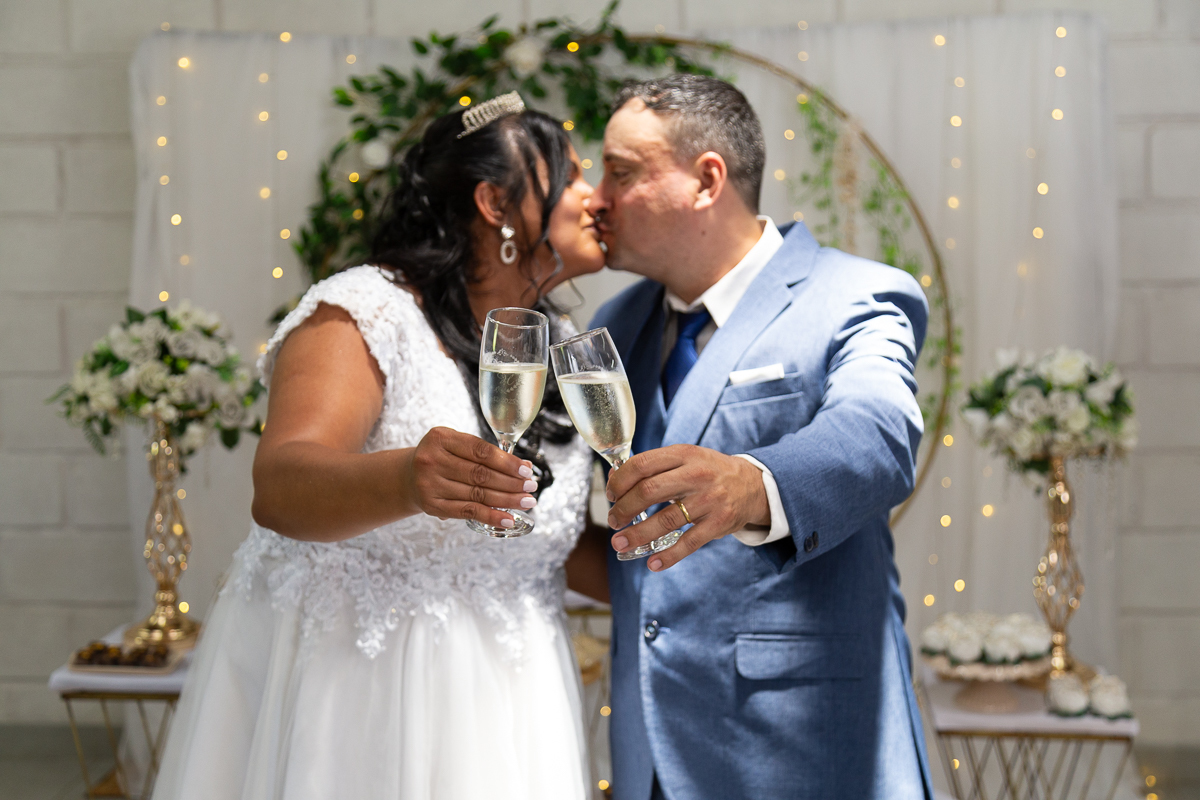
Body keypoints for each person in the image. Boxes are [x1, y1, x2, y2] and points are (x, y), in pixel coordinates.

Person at [151, 94, 607, 800]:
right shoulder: (364, 311)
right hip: (357, 701)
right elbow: (280, 486)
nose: (594, 197)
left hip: (510, 709)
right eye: (571, 177)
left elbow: (546, 541)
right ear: (495, 204)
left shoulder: (561, 347)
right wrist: (405, 481)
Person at [584, 75, 934, 799]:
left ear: (707, 179)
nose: (597, 196)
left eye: (621, 172)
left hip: (803, 744)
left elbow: (878, 432)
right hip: (648, 750)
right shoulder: (612, 329)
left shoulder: (856, 296)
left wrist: (751, 483)